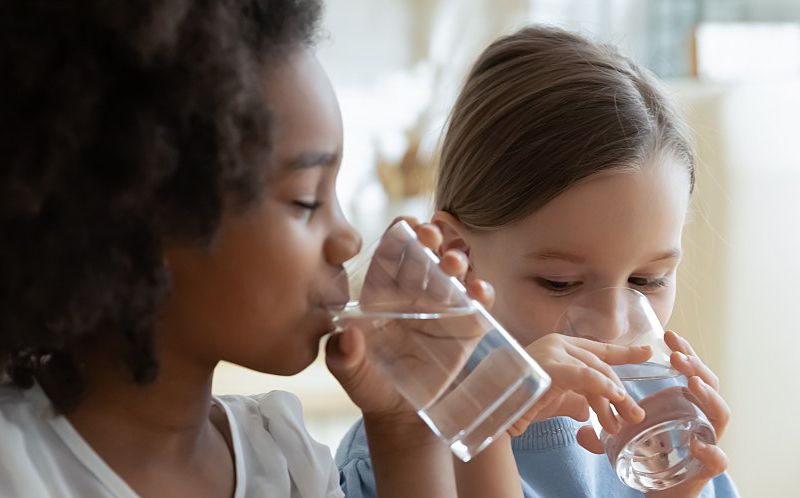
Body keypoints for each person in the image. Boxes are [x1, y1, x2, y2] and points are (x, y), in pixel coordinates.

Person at [0, 1, 556, 496]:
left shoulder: (283, 459)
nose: (349, 239)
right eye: (307, 201)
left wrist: (405, 427)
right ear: (138, 217)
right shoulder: (17, 469)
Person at [337, 25, 739, 498]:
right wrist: (490, 420)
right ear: (456, 259)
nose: (612, 326)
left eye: (647, 280)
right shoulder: (403, 447)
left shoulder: (653, 448)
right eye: (559, 282)